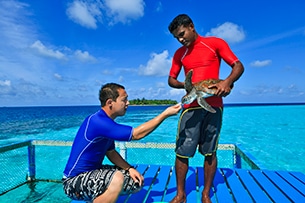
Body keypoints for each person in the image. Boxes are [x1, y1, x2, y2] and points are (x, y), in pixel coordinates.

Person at [167, 14, 244, 203]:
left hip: (214, 106)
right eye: (177, 37)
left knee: (210, 151)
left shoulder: (214, 43)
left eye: (182, 34)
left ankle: (206, 194)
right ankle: (180, 195)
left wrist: (227, 82)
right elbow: (171, 80)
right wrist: (188, 87)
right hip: (190, 107)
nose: (180, 39)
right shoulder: (179, 54)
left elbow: (238, 66)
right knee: (181, 151)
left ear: (192, 26)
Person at [62, 83, 181, 203]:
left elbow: (111, 153)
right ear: (110, 103)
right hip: (73, 182)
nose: (128, 103)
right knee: (117, 178)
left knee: (135, 182)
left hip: (92, 173)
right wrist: (164, 114)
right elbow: (136, 134)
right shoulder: (97, 122)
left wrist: (129, 168)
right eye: (124, 100)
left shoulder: (106, 122)